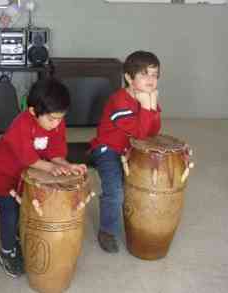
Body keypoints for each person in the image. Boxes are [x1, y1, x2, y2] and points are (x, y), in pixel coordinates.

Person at [0, 78, 87, 278]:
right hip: (4, 177)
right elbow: (28, 158)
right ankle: (7, 252)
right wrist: (50, 168)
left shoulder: (56, 122)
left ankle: (19, 237)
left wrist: (67, 165)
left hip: (26, 178)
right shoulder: (20, 125)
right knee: (10, 213)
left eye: (60, 118)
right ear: (33, 111)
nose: (57, 123)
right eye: (52, 119)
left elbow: (56, 152)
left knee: (27, 210)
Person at [89, 50, 161, 253]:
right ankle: (107, 230)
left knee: (144, 185)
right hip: (109, 150)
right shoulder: (119, 101)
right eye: (144, 74)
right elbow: (140, 134)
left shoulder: (146, 97)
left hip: (130, 149)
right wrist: (148, 108)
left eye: (155, 75)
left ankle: (139, 224)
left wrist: (151, 106)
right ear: (129, 78)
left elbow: (153, 131)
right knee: (116, 192)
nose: (151, 79)